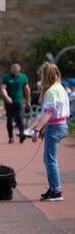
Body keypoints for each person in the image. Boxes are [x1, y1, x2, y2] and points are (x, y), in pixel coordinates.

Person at [32, 63, 70, 202]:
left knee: (50, 160)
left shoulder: (50, 91)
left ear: (45, 76)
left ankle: (57, 190)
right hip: (60, 125)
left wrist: (37, 129)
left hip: (55, 127)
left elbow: (48, 113)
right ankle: (53, 187)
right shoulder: (60, 87)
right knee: (48, 159)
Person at [1, 62, 31, 143]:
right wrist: (7, 97)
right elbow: (3, 88)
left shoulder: (23, 77)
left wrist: (28, 100)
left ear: (19, 68)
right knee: (9, 120)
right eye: (13, 67)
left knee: (20, 118)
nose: (14, 69)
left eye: (16, 67)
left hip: (19, 101)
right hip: (9, 102)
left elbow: (27, 89)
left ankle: (22, 135)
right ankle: (11, 137)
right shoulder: (6, 77)